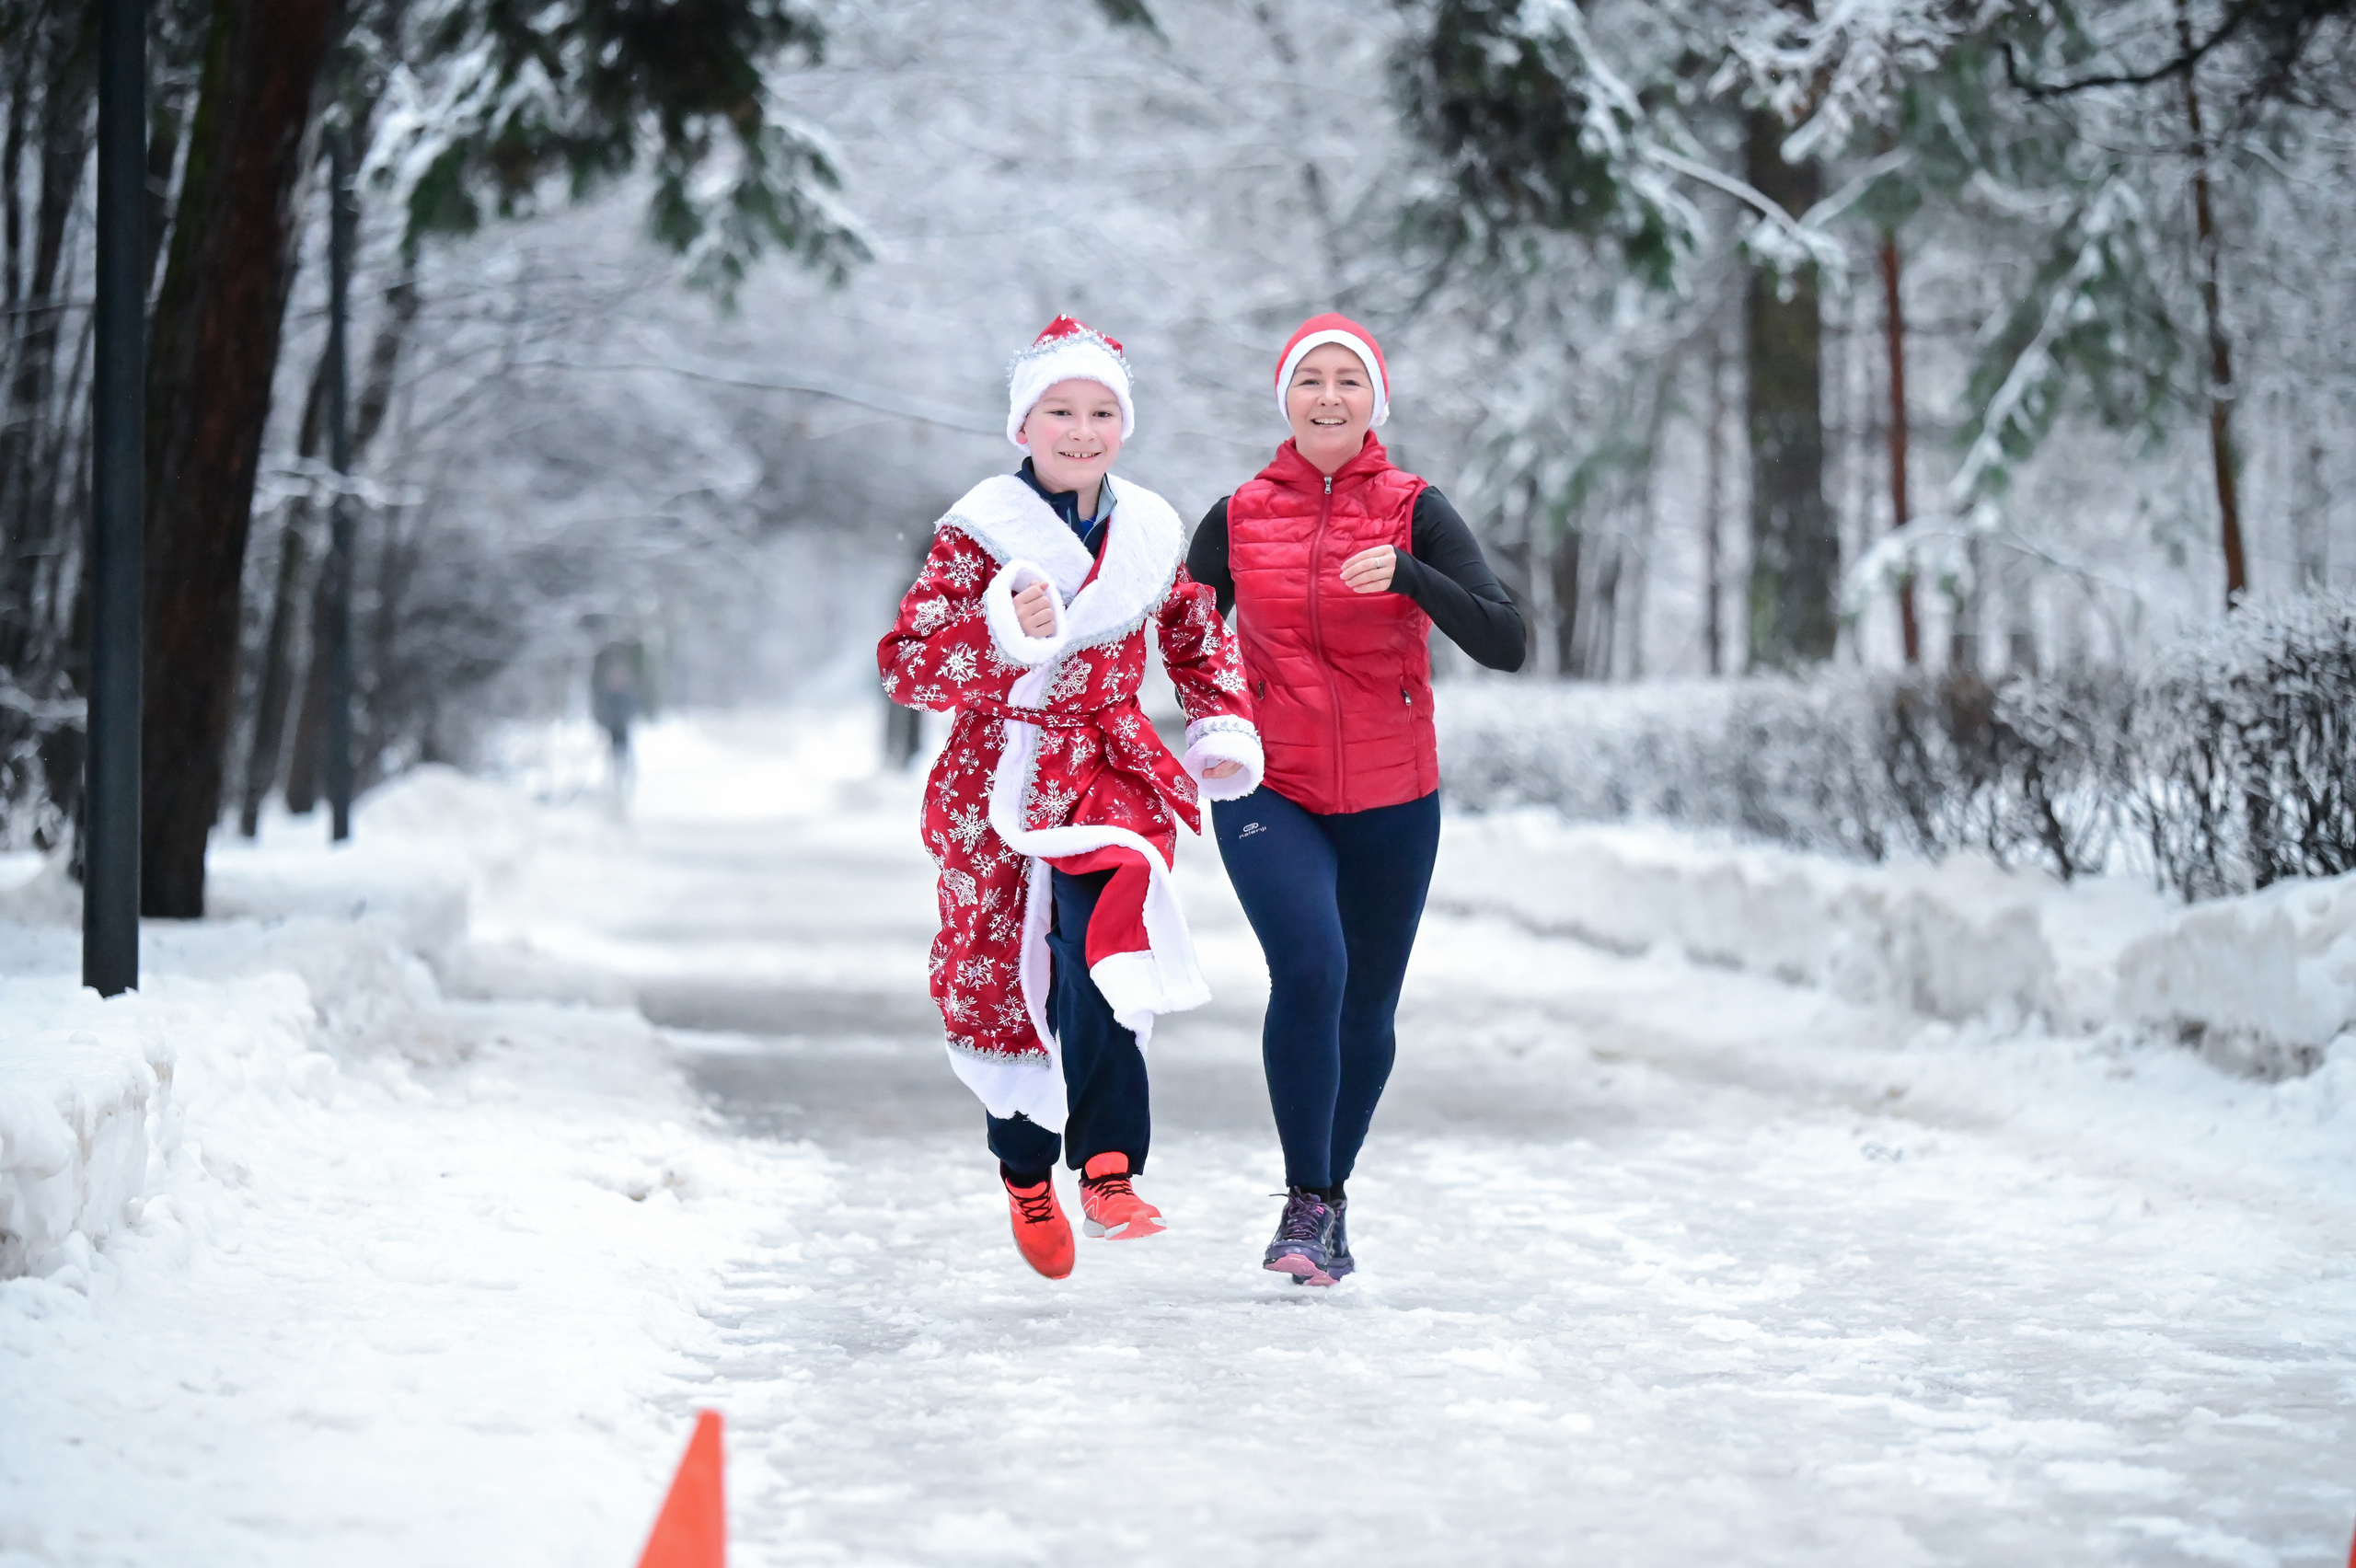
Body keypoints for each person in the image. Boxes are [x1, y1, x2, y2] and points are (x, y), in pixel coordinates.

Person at [877, 316, 1265, 1280]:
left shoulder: (1148, 530)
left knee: (1103, 951)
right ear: (1025, 424)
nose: (1081, 431)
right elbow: (908, 665)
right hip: (996, 772)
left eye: (1100, 412)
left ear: (1122, 425)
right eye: (1060, 411)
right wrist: (1000, 629)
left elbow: (1195, 635)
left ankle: (1107, 1166)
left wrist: (1220, 722)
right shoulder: (977, 533)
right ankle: (1023, 1170)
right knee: (998, 976)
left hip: (1105, 766)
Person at [1186, 313, 1526, 1286]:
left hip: (1392, 790)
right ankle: (1303, 1202)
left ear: (1374, 400)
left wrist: (1413, 578)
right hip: (1269, 787)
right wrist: (1212, 724)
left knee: (1367, 1005)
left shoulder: (1416, 508)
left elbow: (1506, 640)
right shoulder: (1237, 516)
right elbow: (1182, 641)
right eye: (1309, 381)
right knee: (1310, 966)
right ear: (1283, 399)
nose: (1327, 397)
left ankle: (1327, 1203)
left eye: (1347, 381)